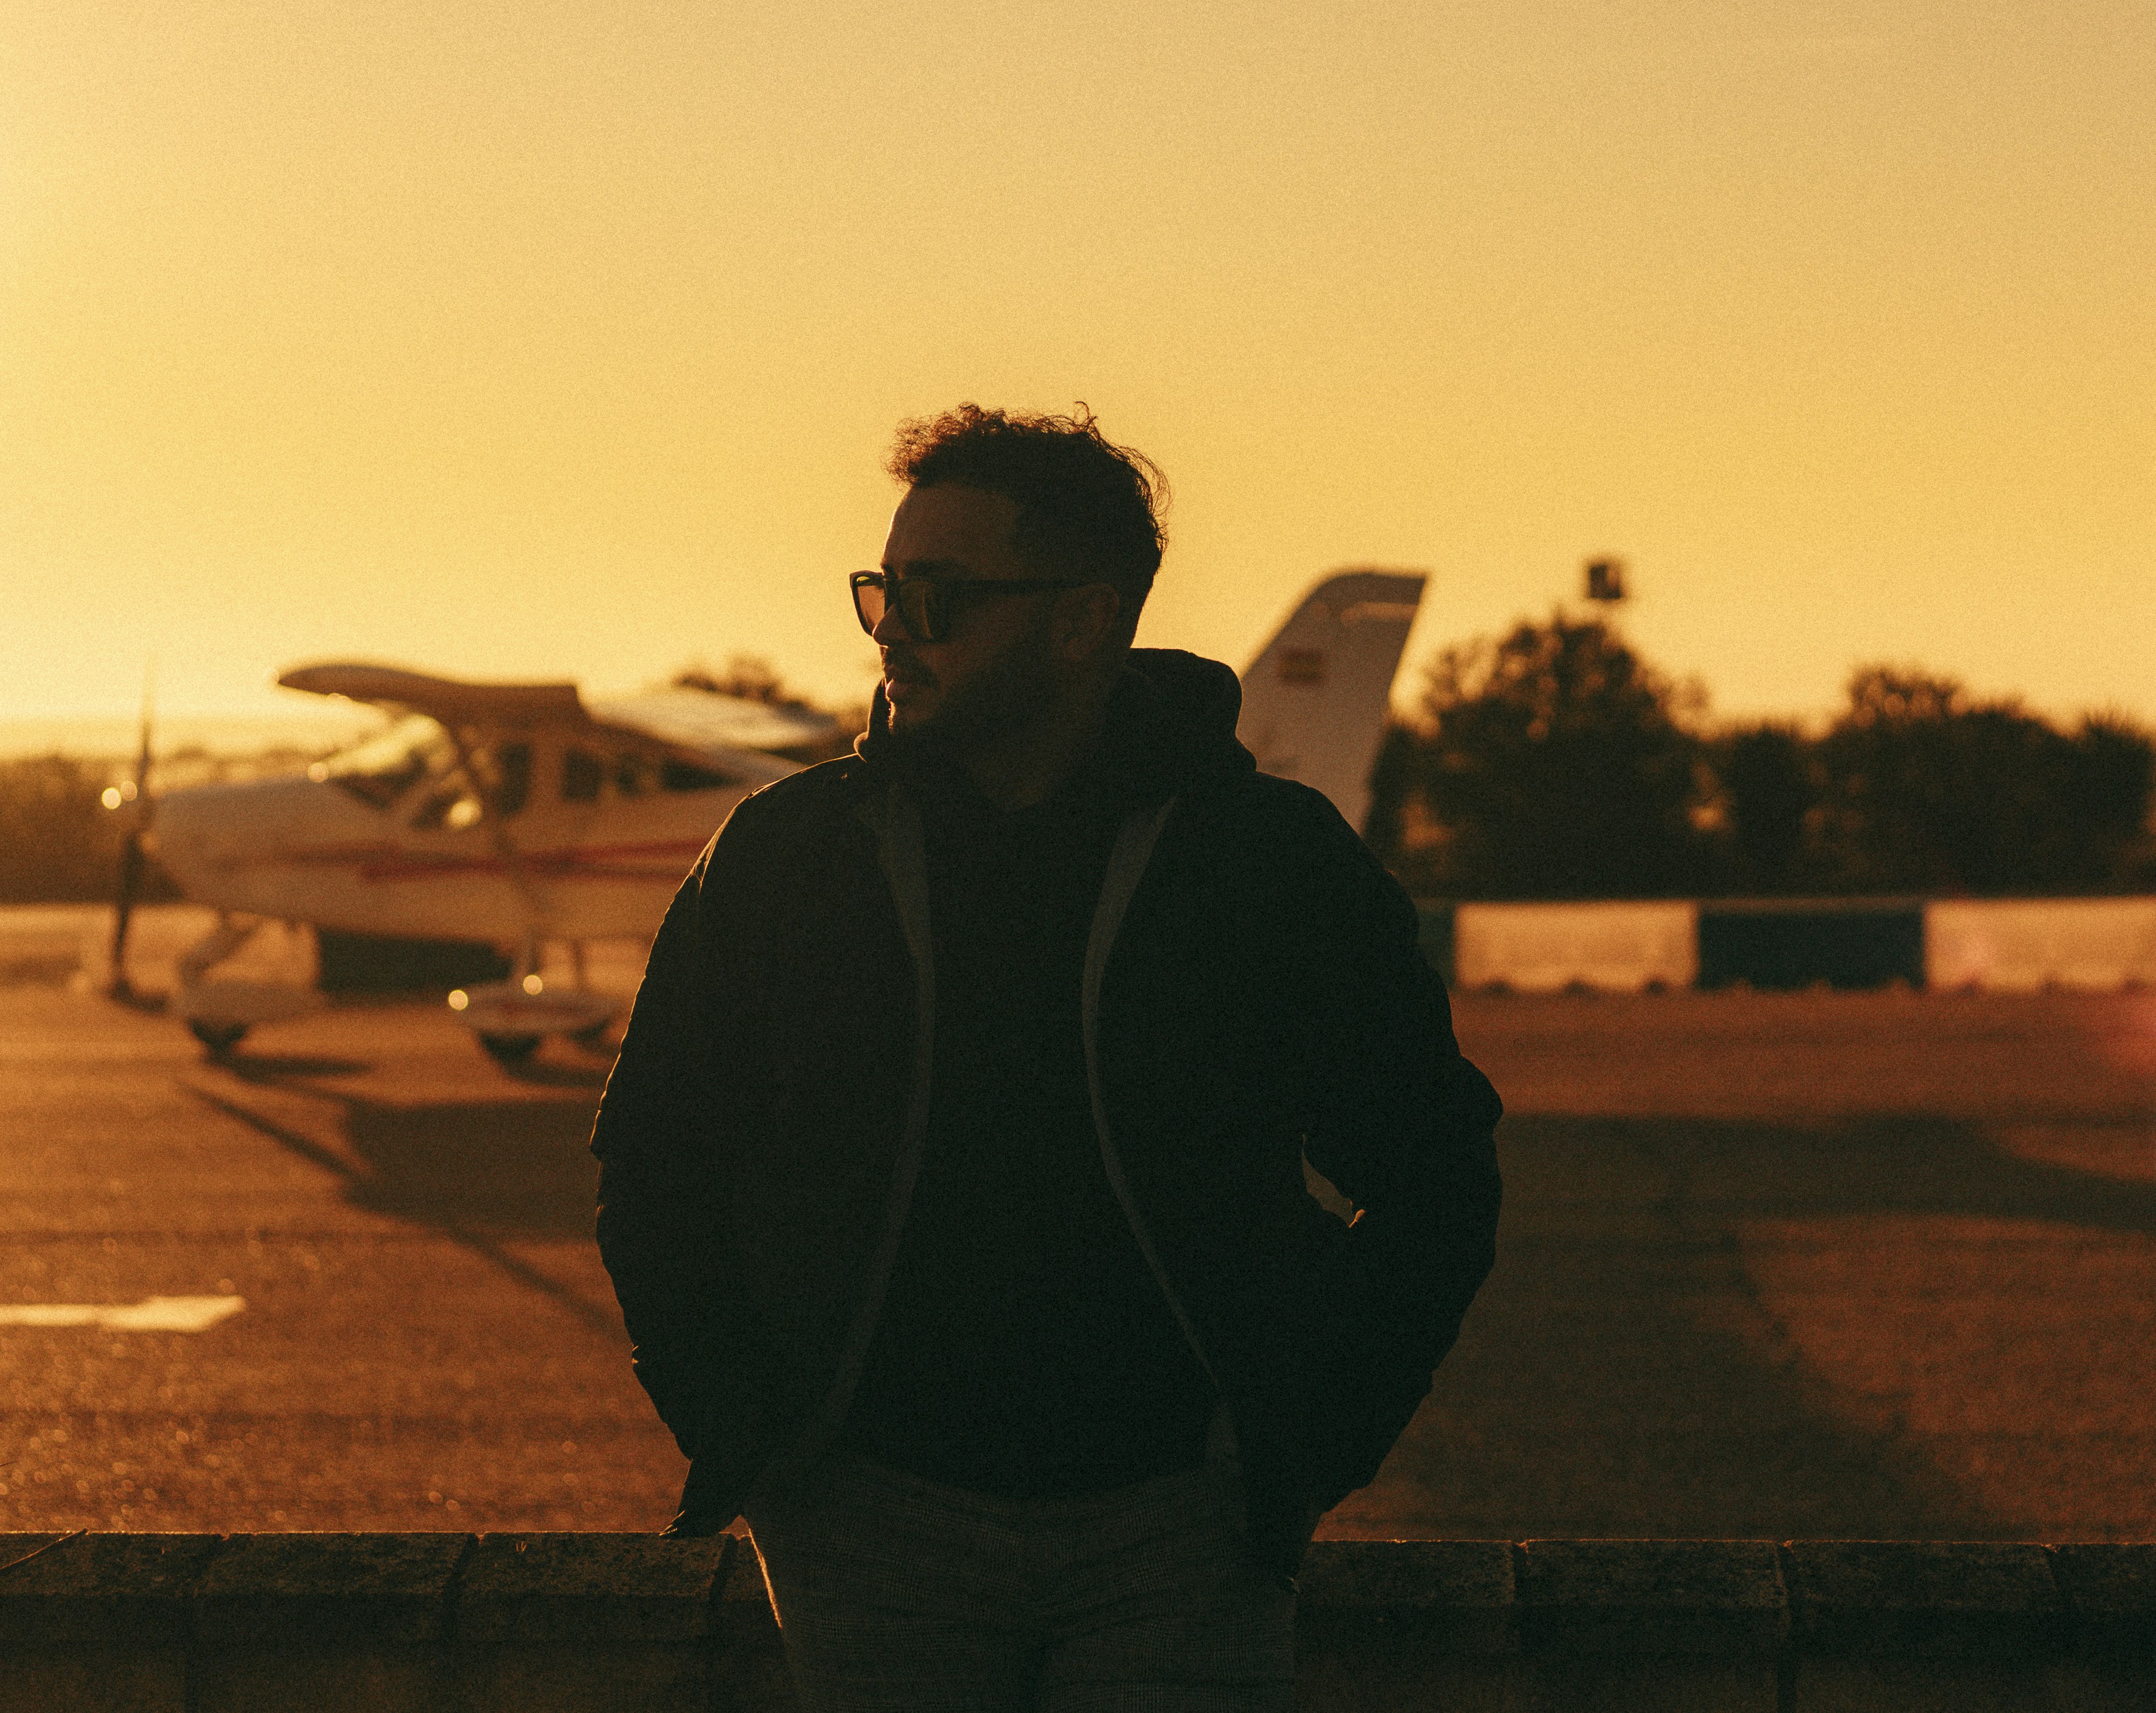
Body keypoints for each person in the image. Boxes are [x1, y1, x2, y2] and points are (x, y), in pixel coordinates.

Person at [591, 404, 1502, 1712]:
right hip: (867, 1532)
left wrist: (1305, 1446)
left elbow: (1433, 1170)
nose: (895, 628)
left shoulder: (1268, 862)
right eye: (882, 593)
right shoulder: (790, 856)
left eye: (940, 596)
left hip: (1182, 1539)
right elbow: (655, 1154)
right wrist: (751, 1435)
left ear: (1082, 621)